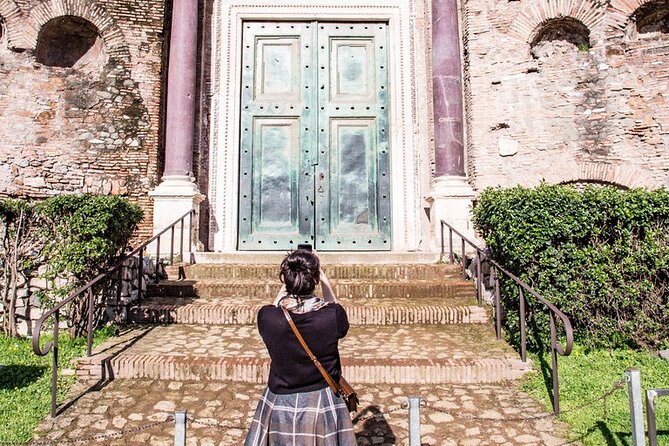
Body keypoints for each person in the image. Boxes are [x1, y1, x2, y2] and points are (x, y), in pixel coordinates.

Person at [244, 248, 356, 445]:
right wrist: (323, 278)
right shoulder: (332, 317)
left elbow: (275, 307)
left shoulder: (268, 318)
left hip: (279, 402)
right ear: (314, 279)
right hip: (322, 402)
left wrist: (288, 283)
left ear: (285, 279)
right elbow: (335, 308)